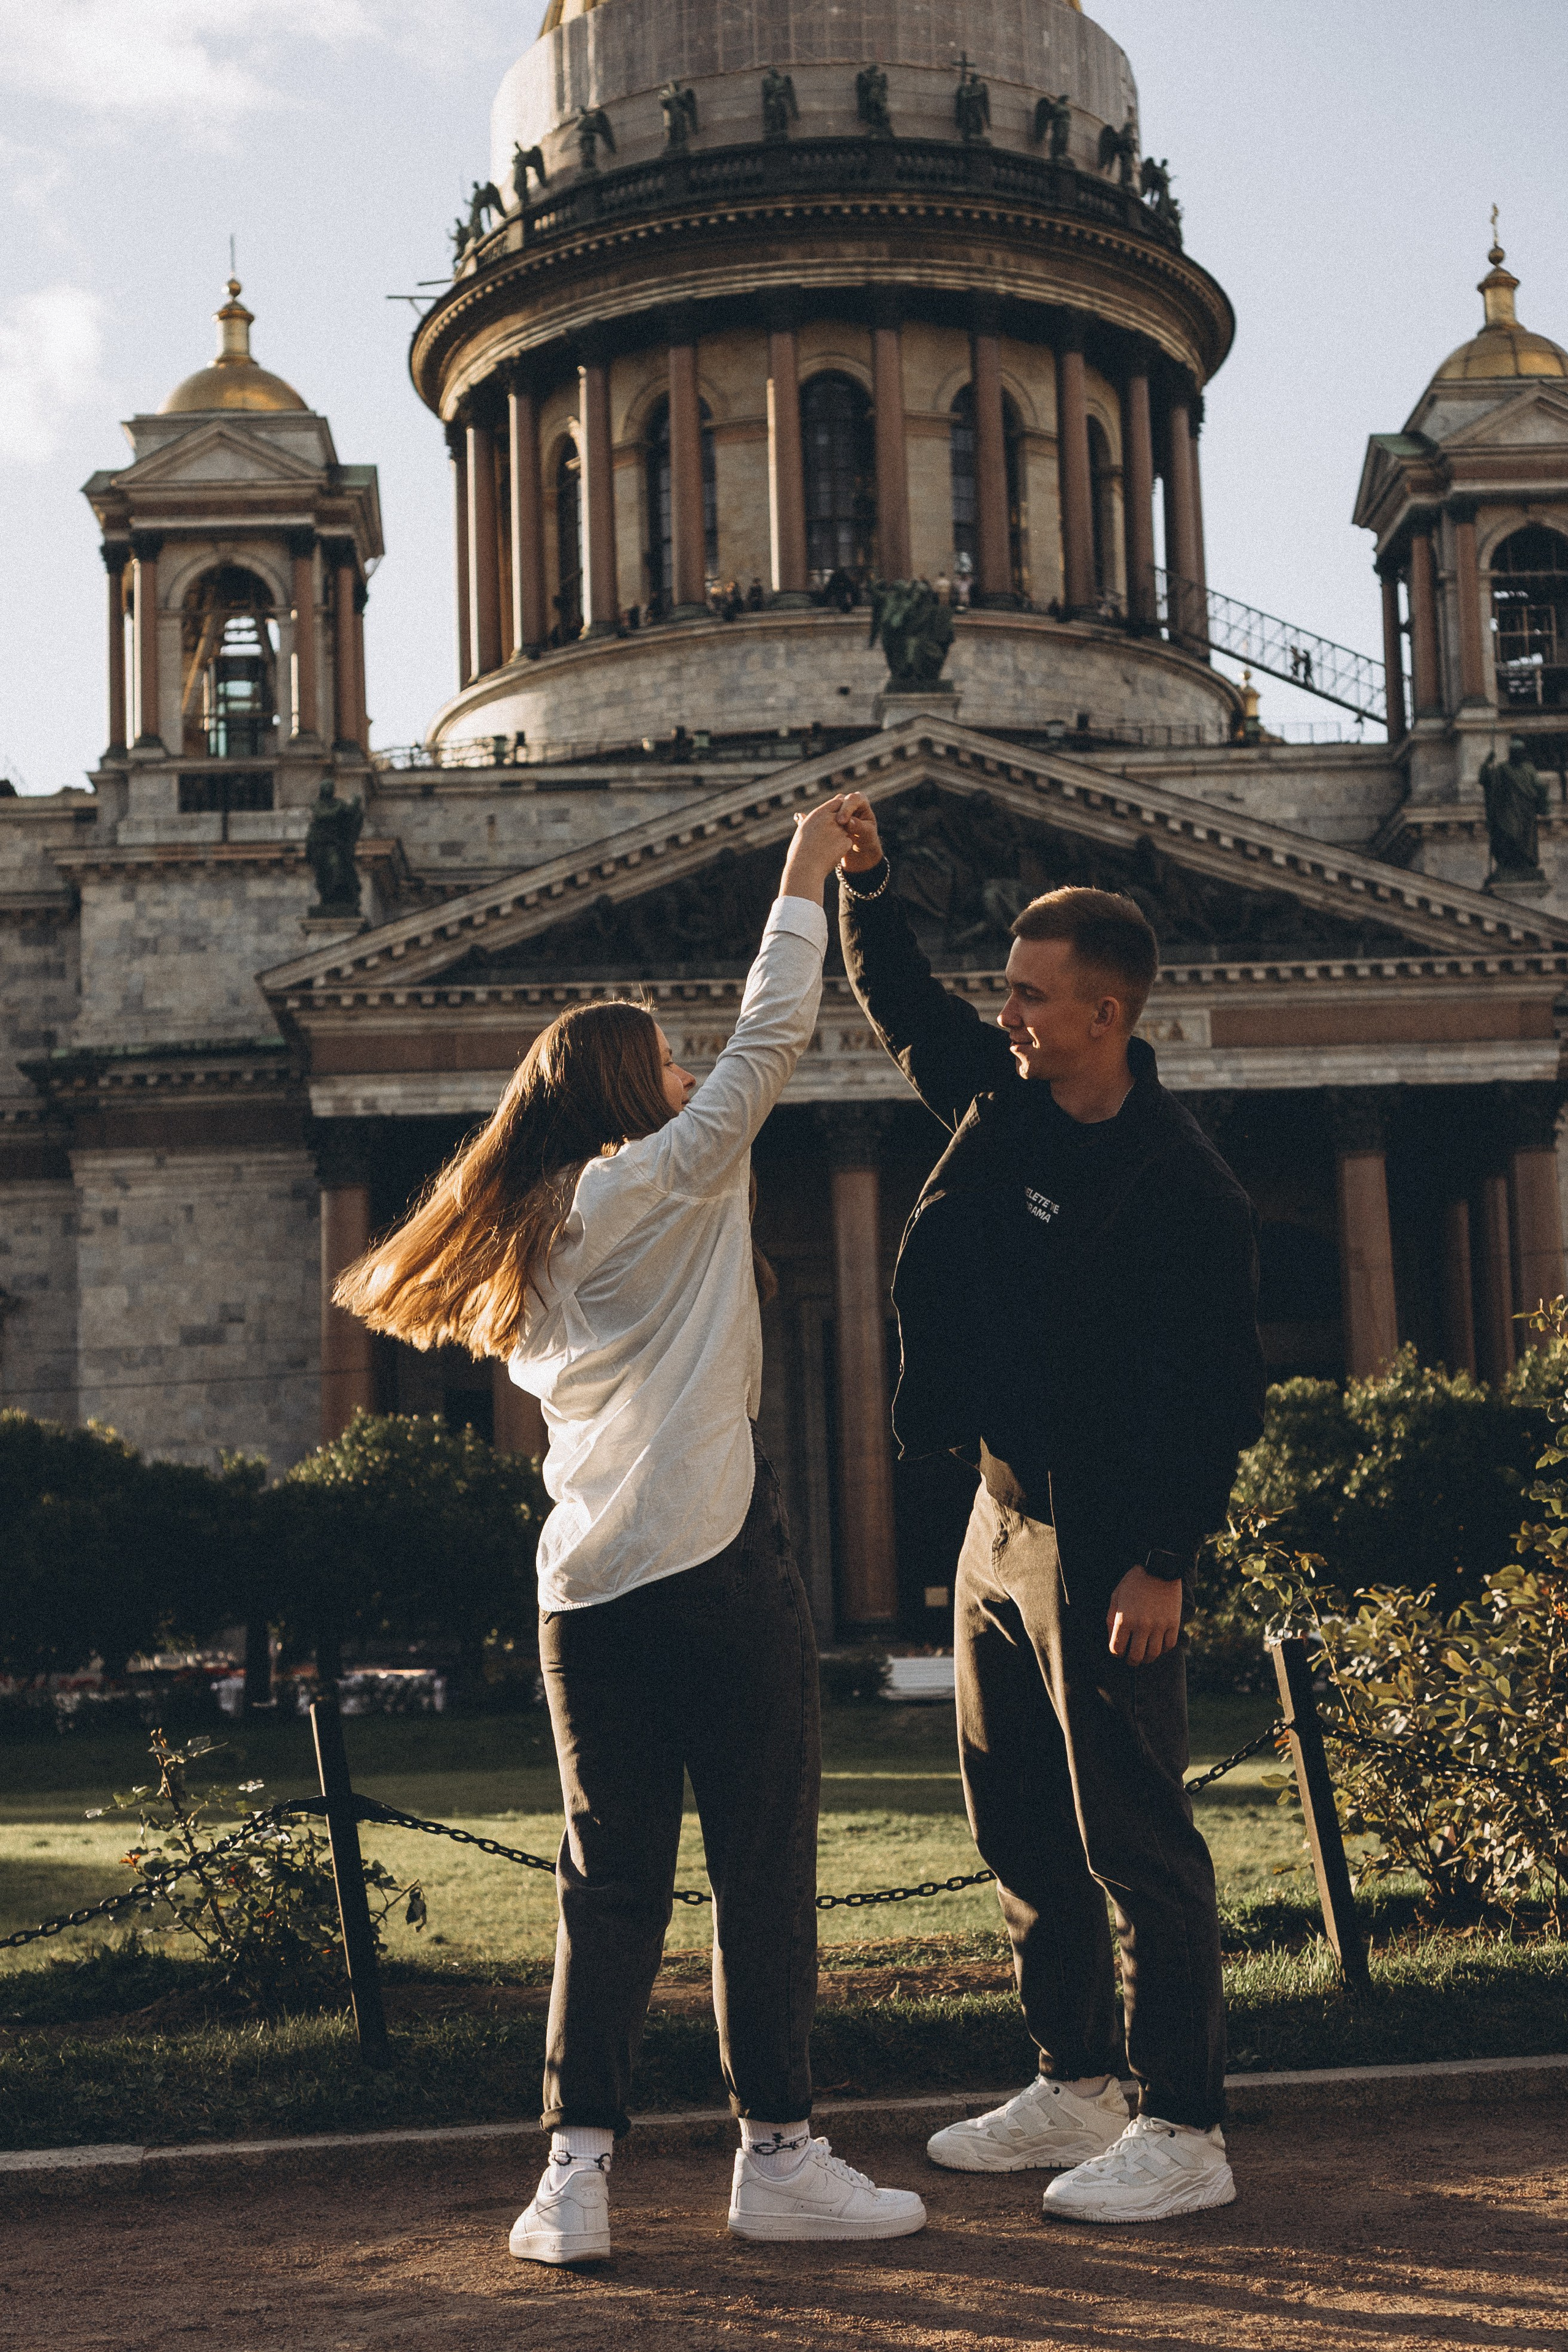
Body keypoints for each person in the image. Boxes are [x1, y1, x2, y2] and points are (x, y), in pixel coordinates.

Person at [334, 795, 925, 2264]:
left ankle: (574, 2180)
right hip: (719, 1562)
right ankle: (776, 2155)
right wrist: (802, 873)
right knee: (760, 1869)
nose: (685, 1075)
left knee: (606, 1886)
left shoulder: (521, 1241)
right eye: (661, 1059)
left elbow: (735, 1058)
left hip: (583, 1591)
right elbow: (771, 1036)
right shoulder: (657, 1177)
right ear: (621, 1089)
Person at [832, 791, 1265, 2225]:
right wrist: (869, 884)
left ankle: (1184, 2126)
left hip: (1106, 1543)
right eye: (1003, 991)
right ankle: (1075, 2081)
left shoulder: (1182, 1187)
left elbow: (1218, 1392)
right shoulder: (1001, 1099)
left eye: (1026, 995)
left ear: (1105, 1013)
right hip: (997, 1521)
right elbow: (898, 1004)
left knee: (1134, 1839)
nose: (1000, 1011)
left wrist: (1162, 1561)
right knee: (1016, 1820)